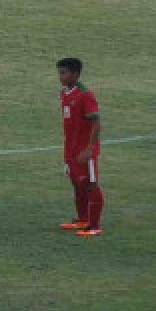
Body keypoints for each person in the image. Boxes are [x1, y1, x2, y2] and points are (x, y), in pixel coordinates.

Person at [56, 57, 105, 236]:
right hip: (71, 148)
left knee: (91, 184)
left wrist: (90, 148)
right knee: (77, 183)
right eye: (59, 73)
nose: (60, 77)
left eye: (63, 73)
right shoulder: (65, 92)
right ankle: (83, 219)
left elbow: (96, 123)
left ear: (75, 74)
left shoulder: (85, 94)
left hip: (85, 151)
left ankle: (95, 225)